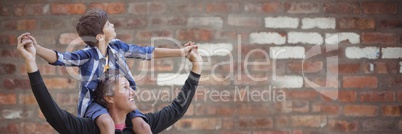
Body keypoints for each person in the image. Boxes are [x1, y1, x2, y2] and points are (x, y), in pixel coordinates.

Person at [20, 8, 196, 134]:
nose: (112, 25)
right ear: (99, 36)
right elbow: (60, 58)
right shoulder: (87, 56)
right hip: (95, 104)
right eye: (108, 24)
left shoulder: (118, 47)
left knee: (143, 126)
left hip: (119, 102)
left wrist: (181, 52)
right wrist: (37, 48)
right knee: (106, 123)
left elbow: (146, 52)